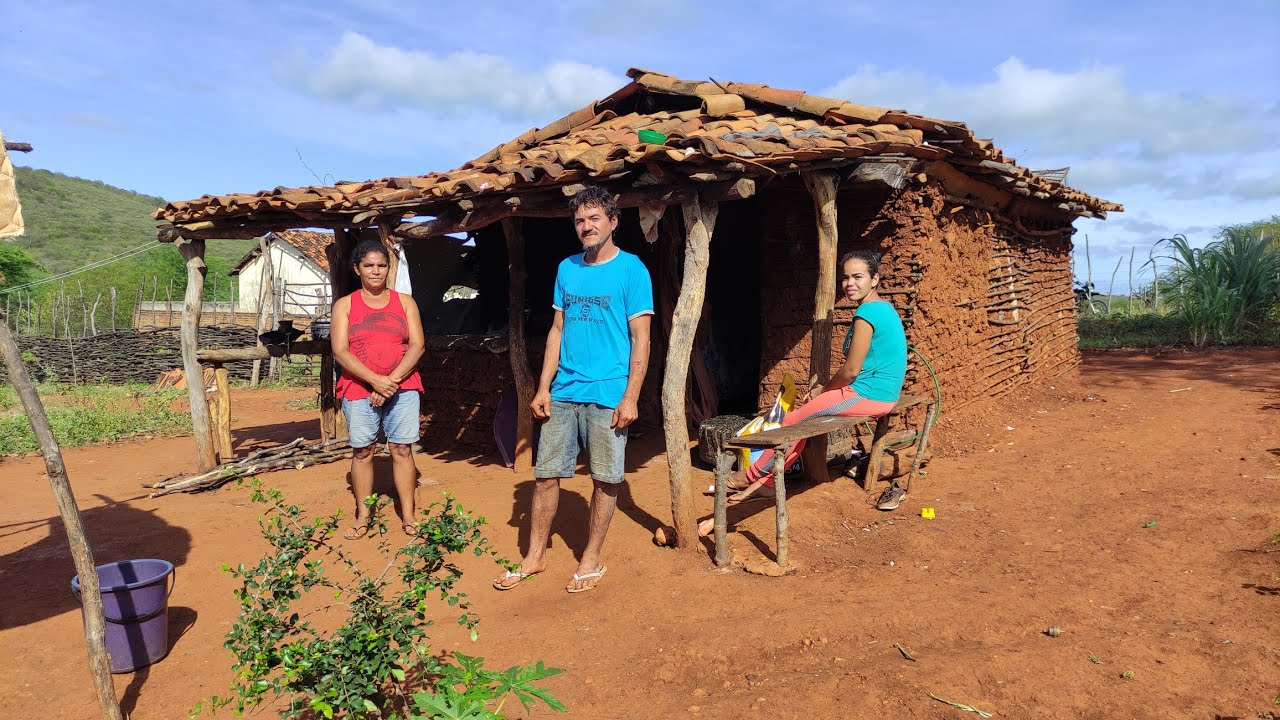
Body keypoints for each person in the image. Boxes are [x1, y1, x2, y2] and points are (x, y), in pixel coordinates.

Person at [494, 186, 653, 594]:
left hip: (608, 393)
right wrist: (543, 386)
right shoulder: (567, 268)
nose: (586, 226)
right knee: (546, 475)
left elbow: (641, 339)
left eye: (594, 218)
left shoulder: (632, 270)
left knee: (605, 479)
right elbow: (557, 329)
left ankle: (591, 557)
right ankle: (534, 556)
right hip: (564, 389)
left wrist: (631, 396)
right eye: (580, 220)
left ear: (613, 222)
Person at [709, 249, 909, 522]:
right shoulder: (883, 308)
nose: (850, 283)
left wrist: (824, 391)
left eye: (858, 276)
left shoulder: (868, 313)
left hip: (870, 394)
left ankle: (750, 476)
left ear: (875, 279)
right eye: (845, 277)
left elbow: (851, 371)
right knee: (805, 419)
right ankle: (767, 485)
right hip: (877, 393)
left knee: (794, 422)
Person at [330, 239, 426, 538]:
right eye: (369, 265)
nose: (376, 271)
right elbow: (340, 351)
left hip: (403, 384)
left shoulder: (405, 302)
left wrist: (390, 381)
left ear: (389, 269)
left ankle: (408, 514)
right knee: (363, 450)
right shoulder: (345, 305)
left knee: (401, 448)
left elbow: (417, 345)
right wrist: (375, 380)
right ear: (357, 269)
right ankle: (363, 515)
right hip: (359, 387)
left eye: (381, 265)